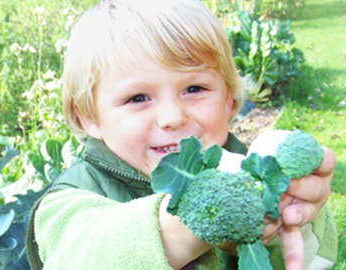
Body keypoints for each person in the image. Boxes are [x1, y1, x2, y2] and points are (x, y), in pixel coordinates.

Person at [26, 0, 337, 269]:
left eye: (194, 89)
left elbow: (310, 260)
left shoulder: (242, 169)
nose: (173, 117)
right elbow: (77, 258)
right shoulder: (70, 202)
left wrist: (289, 209)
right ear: (89, 117)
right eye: (138, 98)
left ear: (229, 101)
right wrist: (191, 223)